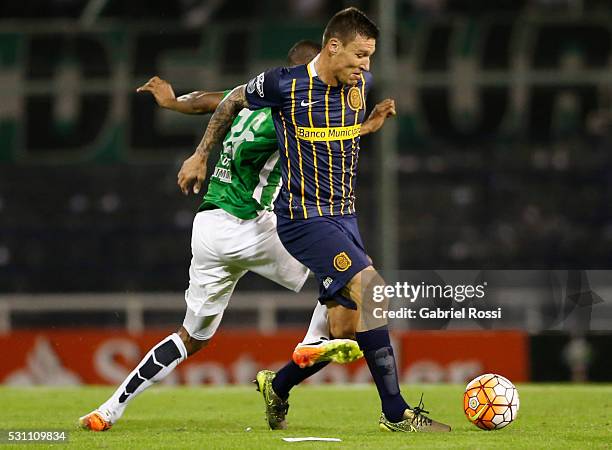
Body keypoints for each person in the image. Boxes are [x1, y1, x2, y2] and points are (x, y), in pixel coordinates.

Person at [79, 39, 394, 432]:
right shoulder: (296, 109)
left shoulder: (247, 97)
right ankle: (311, 344)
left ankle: (109, 409)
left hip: (210, 229)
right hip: (257, 227)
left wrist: (173, 102)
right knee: (356, 276)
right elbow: (329, 141)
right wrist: (370, 125)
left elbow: (208, 101)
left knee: (190, 337)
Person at [178, 8, 451, 433]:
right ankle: (396, 413)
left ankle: (279, 384)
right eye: (361, 55)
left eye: (371, 58)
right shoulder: (282, 85)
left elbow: (329, 135)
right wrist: (200, 155)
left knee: (343, 330)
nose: (366, 66)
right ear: (333, 46)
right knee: (374, 292)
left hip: (345, 216)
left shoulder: (358, 88)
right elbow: (230, 101)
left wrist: (369, 126)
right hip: (303, 217)